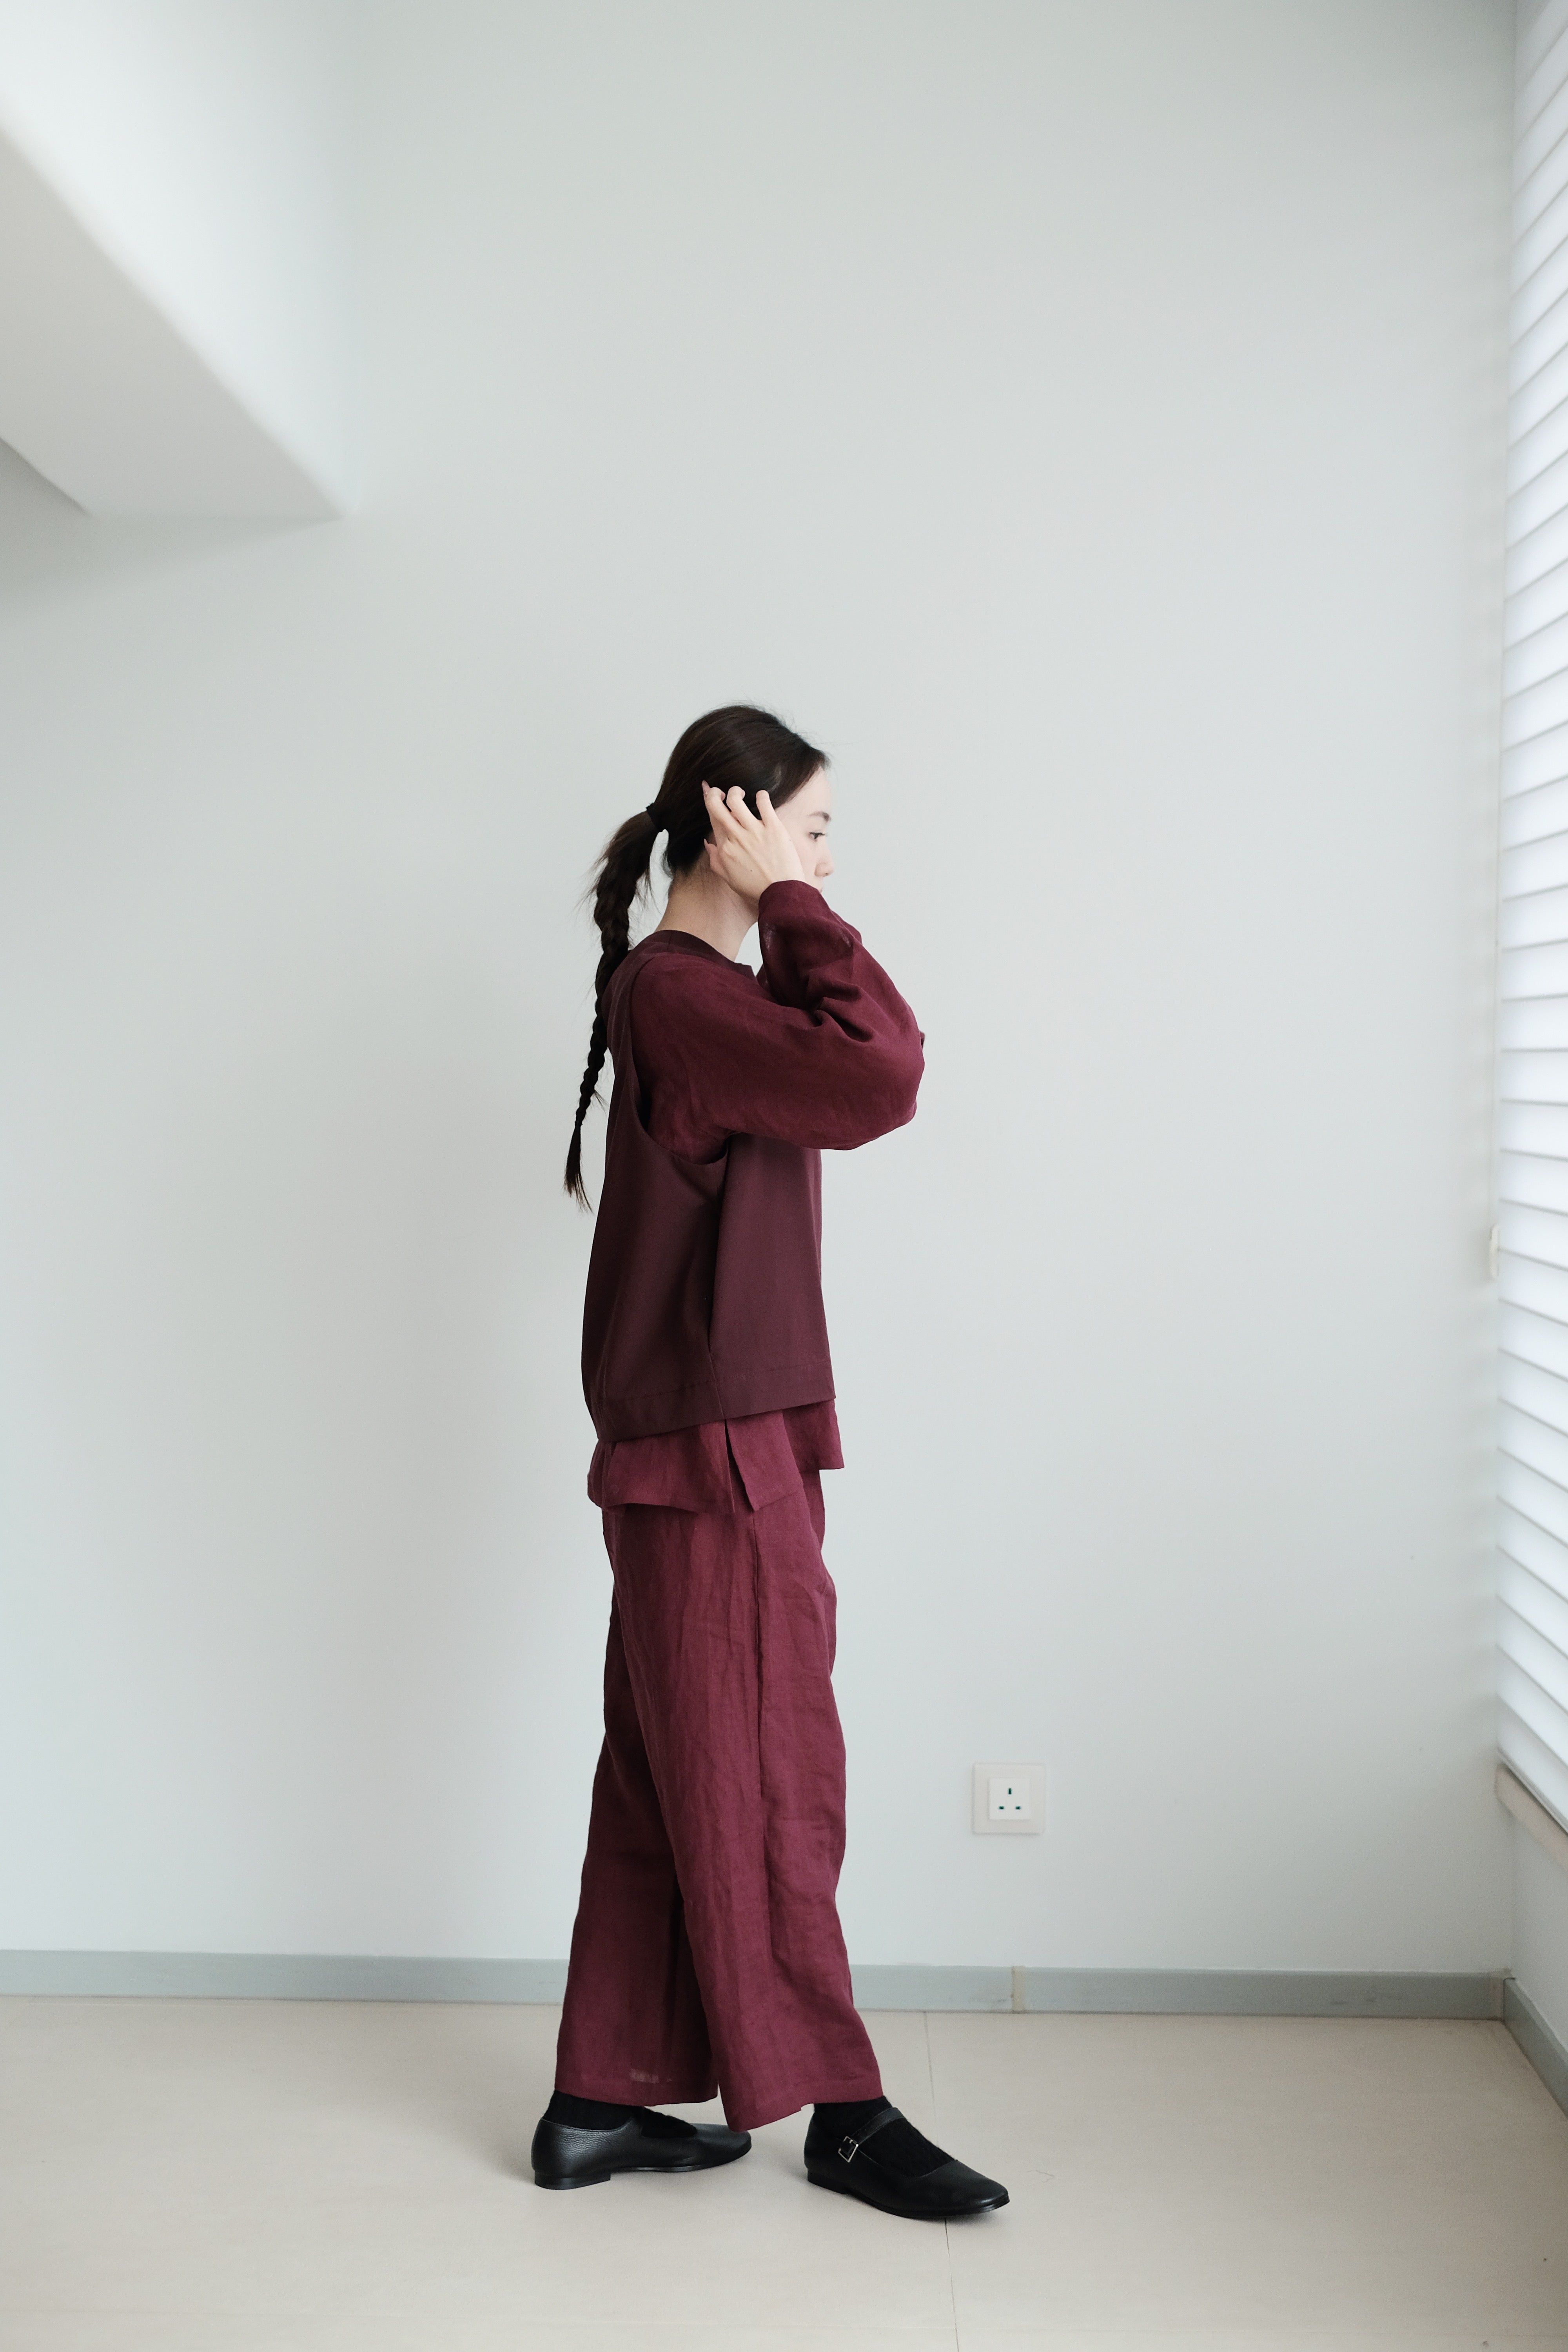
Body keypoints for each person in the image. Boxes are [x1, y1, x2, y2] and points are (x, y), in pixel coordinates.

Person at [529, 706, 1008, 2222]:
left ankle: (598, 2098)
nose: (824, 864)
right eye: (811, 832)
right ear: (733, 825)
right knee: (769, 1776)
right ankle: (845, 2117)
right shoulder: (687, 998)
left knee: (668, 1777)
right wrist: (793, 903)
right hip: (716, 1453)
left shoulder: (682, 996)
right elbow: (882, 1072)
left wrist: (784, 901)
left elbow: (844, 1073)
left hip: (698, 1444)